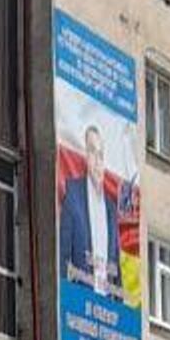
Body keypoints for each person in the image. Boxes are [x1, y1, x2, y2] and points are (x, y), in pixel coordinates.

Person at [58, 124, 122, 296]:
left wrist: (119, 308)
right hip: (79, 305)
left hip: (107, 311)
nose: (97, 161)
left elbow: (117, 271)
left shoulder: (111, 208)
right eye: (93, 152)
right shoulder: (74, 195)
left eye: (101, 155)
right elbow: (62, 255)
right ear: (86, 155)